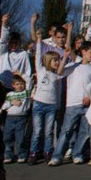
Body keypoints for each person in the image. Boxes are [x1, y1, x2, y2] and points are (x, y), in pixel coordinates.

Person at [49, 40, 91, 166]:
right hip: (72, 104)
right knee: (66, 131)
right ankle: (57, 156)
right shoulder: (73, 66)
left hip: (87, 105)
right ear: (83, 52)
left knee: (84, 132)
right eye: (90, 52)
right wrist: (65, 57)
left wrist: (90, 98)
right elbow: (59, 72)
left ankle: (77, 154)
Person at [28, 24, 68, 165]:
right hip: (39, 104)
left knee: (48, 132)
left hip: (51, 106)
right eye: (55, 60)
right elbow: (38, 56)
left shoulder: (58, 75)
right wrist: (39, 40)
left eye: (58, 60)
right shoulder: (41, 70)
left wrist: (65, 57)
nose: (57, 62)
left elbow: (62, 70)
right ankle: (33, 153)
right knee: (37, 130)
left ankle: (48, 152)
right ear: (48, 61)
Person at [0, 14, 32, 89]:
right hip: (2, 85)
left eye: (16, 42)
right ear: (8, 42)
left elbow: (27, 71)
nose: (13, 44)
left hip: (16, 88)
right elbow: (2, 41)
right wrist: (4, 24)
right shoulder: (4, 52)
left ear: (19, 43)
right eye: (11, 42)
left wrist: (25, 85)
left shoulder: (23, 54)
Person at [0, 75, 30, 163]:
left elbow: (29, 82)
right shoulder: (10, 94)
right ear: (13, 85)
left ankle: (22, 155)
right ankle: (8, 155)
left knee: (20, 138)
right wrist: (12, 103)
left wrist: (21, 74)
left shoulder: (26, 93)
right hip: (10, 118)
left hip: (21, 118)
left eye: (21, 84)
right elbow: (4, 106)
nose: (19, 86)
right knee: (7, 137)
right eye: (17, 84)